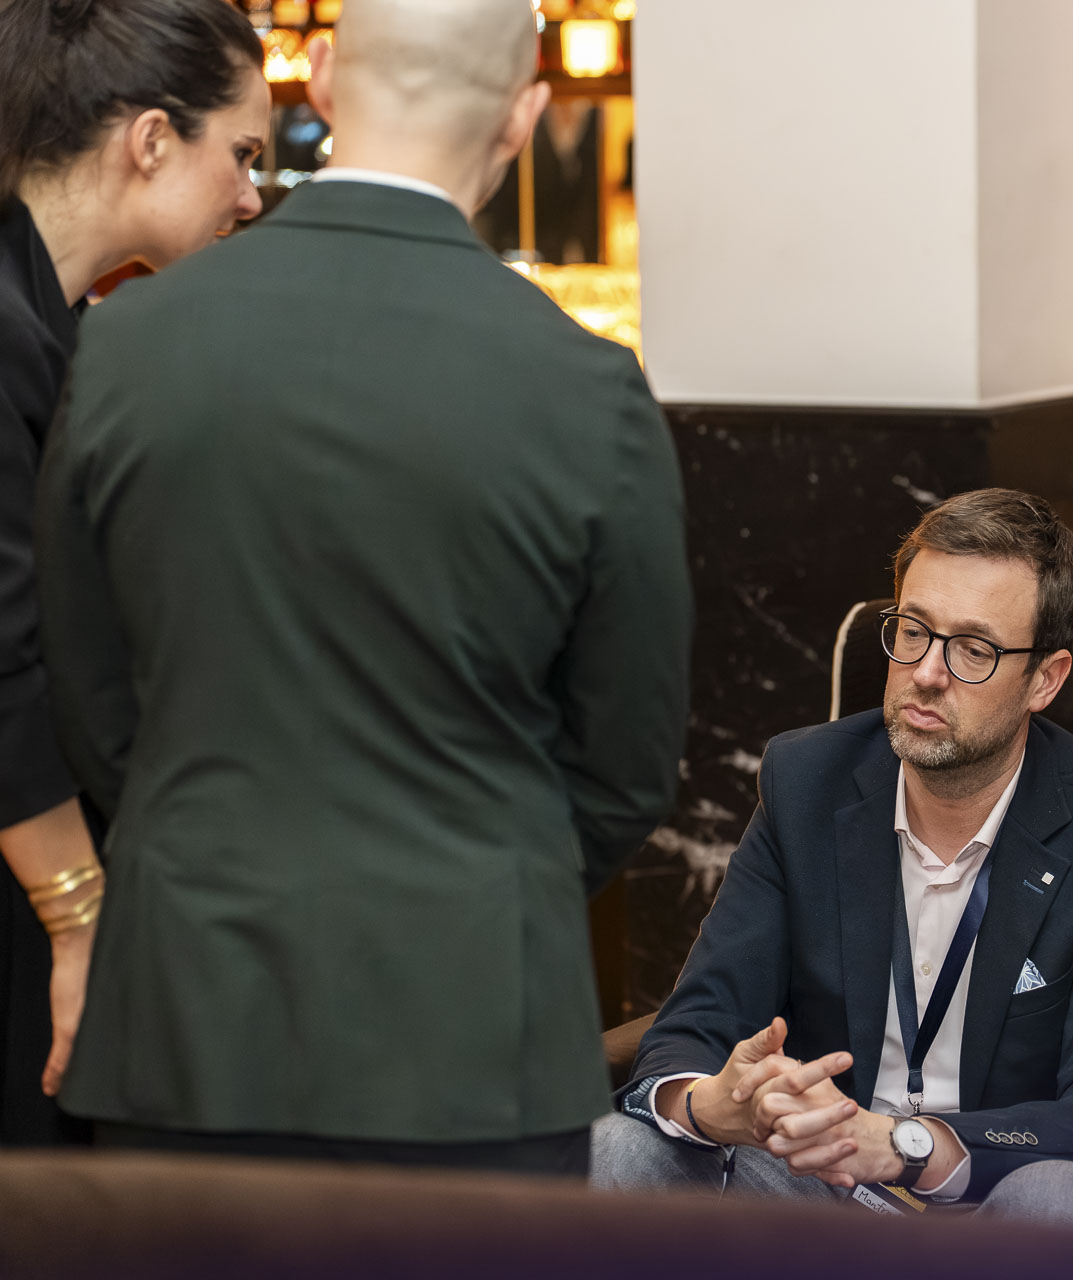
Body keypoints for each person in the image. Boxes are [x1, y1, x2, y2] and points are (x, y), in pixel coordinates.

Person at [32, 0, 690, 1175]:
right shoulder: (588, 386)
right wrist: (491, 874)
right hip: (475, 1021)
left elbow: (86, 682)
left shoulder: (130, 342)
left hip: (186, 1005)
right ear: (525, 115)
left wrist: (198, 841)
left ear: (325, 77)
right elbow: (627, 756)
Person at [593, 489, 1073, 1240]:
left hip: (991, 1203)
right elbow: (699, 1021)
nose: (927, 672)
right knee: (620, 1148)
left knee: (1061, 1198)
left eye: (973, 650)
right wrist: (709, 1102)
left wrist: (909, 1145)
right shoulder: (806, 783)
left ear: (1044, 679)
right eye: (913, 631)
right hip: (816, 1187)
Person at [0, 0, 267, 1147]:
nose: (251, 196)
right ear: (151, 139)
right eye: (242, 153)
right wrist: (77, 915)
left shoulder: (57, 321)